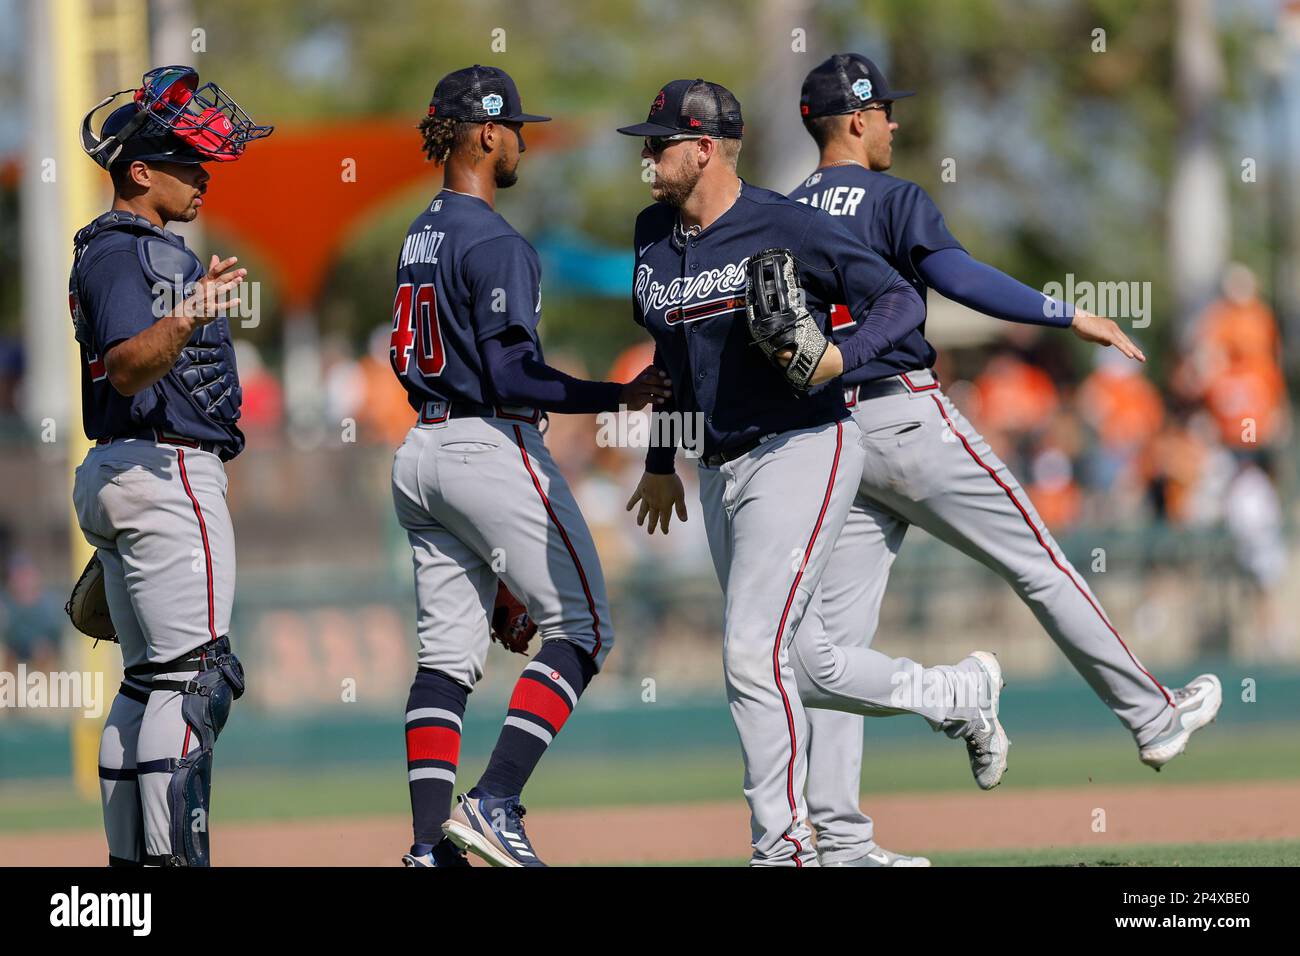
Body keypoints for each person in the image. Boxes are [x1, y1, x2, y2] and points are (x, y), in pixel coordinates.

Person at [786, 53, 1222, 866]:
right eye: (883, 110)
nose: (894, 122)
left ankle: (839, 839)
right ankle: (1154, 719)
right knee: (1042, 564)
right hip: (908, 418)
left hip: (831, 433)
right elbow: (955, 277)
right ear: (853, 119)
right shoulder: (892, 197)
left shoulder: (779, 211)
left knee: (836, 644)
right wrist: (1066, 314)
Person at [618, 79, 1006, 867]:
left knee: (749, 653)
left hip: (805, 446)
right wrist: (662, 457)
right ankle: (956, 695)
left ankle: (786, 849)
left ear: (704, 149)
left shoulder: (784, 224)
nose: (647, 158)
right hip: (721, 466)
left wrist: (841, 357)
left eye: (658, 144)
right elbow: (671, 353)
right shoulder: (652, 234)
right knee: (805, 661)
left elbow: (898, 301)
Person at [391, 65, 670, 868]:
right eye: (515, 127)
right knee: (584, 627)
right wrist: (612, 394)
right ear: (484, 132)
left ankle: (425, 848)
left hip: (421, 453)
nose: (521, 141)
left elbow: (402, 351)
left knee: (446, 663)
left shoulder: (420, 233)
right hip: (489, 442)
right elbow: (515, 375)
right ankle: (495, 800)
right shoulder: (495, 239)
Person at [69, 65, 271, 866]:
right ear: (139, 172)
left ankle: (131, 876)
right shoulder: (124, 252)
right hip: (164, 474)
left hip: (133, 471)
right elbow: (124, 366)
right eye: (187, 162)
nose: (204, 176)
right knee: (198, 679)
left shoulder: (128, 250)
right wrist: (189, 312)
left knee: (151, 682)